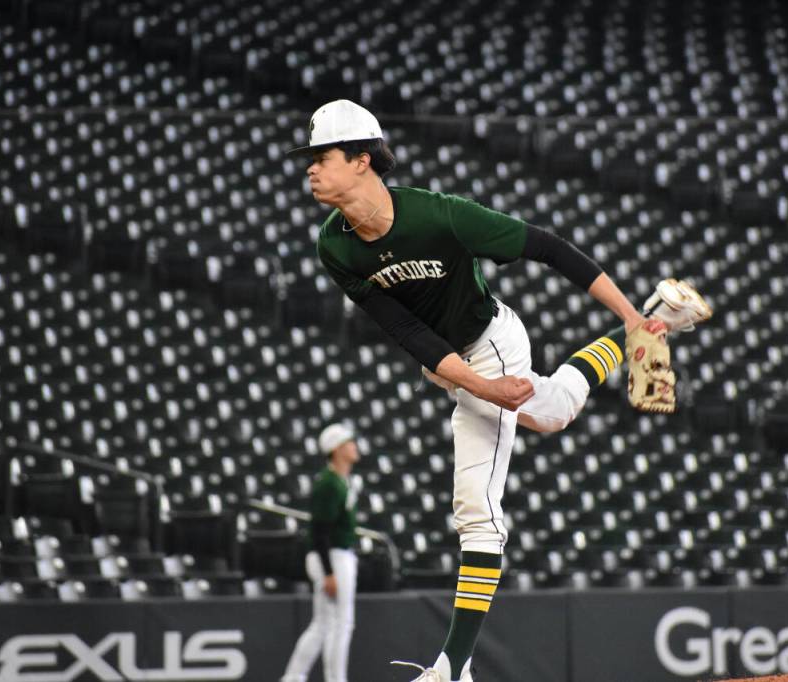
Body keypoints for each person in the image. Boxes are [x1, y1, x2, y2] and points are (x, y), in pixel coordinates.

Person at [288, 100, 711, 682]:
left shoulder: (439, 216)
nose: (310, 168)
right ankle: (659, 316)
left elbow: (548, 247)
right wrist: (482, 388)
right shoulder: (333, 246)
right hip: (453, 367)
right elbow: (406, 331)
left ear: (362, 160)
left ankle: (452, 669)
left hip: (492, 341)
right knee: (556, 410)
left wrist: (623, 313)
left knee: (478, 512)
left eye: (322, 156)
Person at [281, 423, 361, 682]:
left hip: (335, 555)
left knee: (323, 624)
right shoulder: (329, 483)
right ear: (336, 449)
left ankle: (293, 677)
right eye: (348, 443)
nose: (354, 446)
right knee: (341, 623)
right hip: (333, 556)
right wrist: (328, 572)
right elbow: (320, 531)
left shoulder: (339, 480)